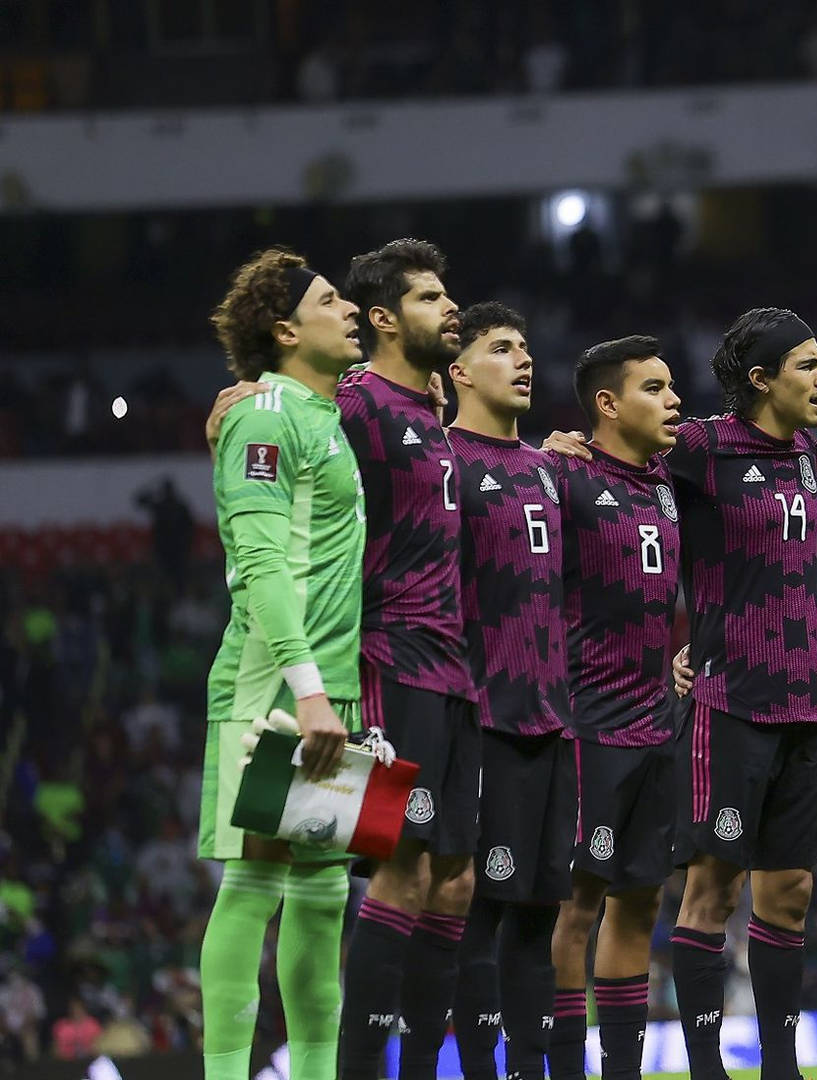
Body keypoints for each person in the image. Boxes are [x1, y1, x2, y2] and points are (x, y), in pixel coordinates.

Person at [541, 308, 817, 1080]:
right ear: (763, 378)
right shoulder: (697, 452)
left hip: (803, 699)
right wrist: (552, 448)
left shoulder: (814, 452)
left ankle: (780, 1068)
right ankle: (700, 1066)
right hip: (717, 703)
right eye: (807, 364)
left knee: (789, 890)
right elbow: (585, 469)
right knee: (693, 888)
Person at [201, 248, 365, 1080]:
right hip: (276, 685)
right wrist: (307, 694)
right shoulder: (266, 415)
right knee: (255, 882)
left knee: (323, 891)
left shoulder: (328, 415)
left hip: (332, 690)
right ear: (286, 329)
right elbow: (261, 568)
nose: (351, 310)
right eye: (332, 300)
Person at [333, 238, 480, 1080]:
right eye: (429, 297)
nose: (448, 307)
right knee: (399, 872)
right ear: (382, 318)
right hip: (391, 654)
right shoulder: (358, 402)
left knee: (452, 882)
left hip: (455, 664)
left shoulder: (427, 410)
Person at [546, 337, 685, 1080]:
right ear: (607, 403)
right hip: (586, 724)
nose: (674, 401)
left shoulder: (668, 479)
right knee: (576, 907)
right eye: (655, 389)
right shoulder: (562, 475)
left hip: (658, 723)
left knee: (639, 906)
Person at [446, 302, 573, 1080]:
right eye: (501, 348)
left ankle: (533, 1069)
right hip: (480, 715)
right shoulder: (442, 460)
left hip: (550, 719)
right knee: (477, 914)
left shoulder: (551, 469)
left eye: (526, 348)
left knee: (538, 915)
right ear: (457, 370)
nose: (522, 359)